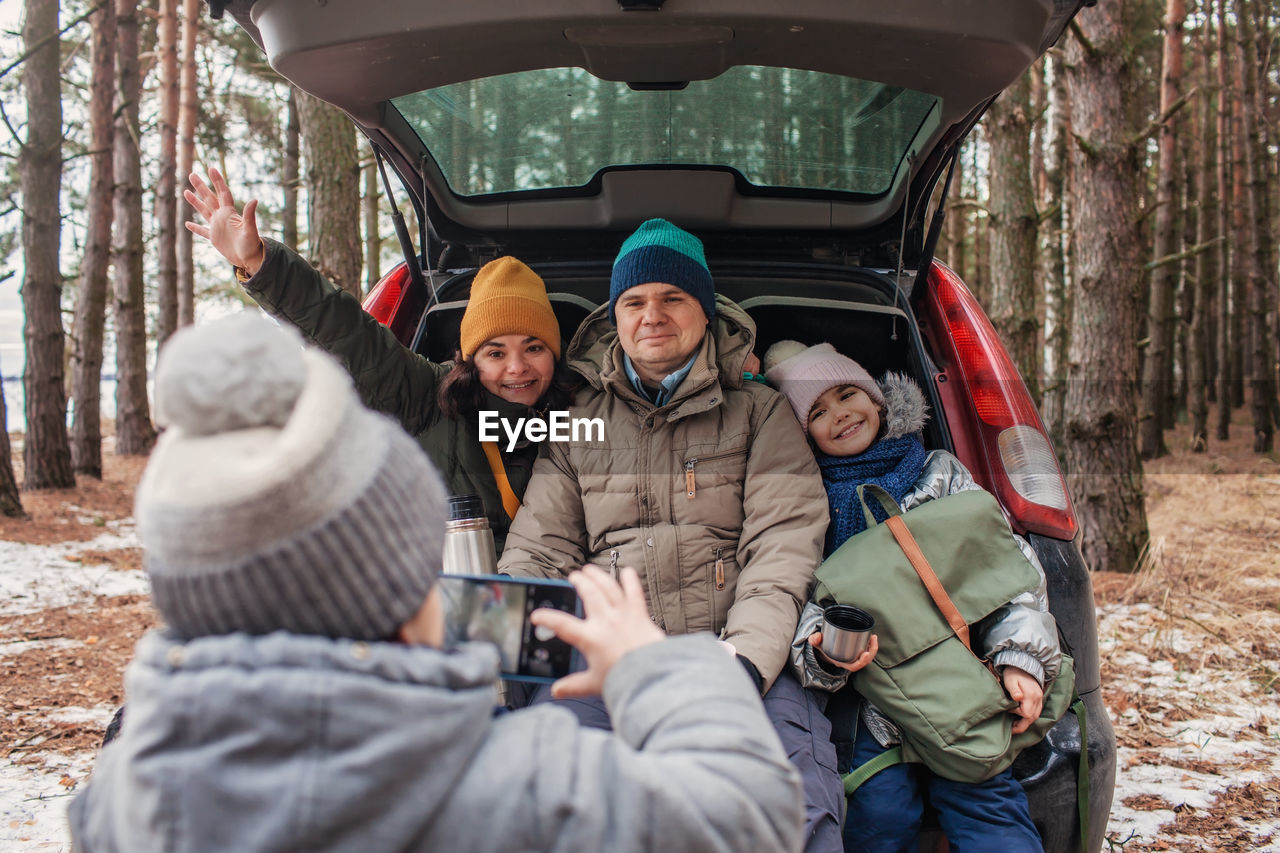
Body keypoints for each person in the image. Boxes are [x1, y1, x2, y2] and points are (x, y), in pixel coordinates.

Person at [68, 314, 805, 853]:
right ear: (403, 587)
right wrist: (657, 668)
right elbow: (750, 812)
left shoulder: (120, 803)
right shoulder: (512, 780)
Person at [498, 219, 844, 851]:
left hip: (734, 654)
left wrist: (741, 665)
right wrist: (498, 642)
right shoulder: (581, 424)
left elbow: (781, 548)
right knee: (556, 804)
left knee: (798, 811)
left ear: (705, 313)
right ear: (617, 318)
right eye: (633, 302)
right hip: (604, 662)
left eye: (672, 298)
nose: (650, 315)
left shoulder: (759, 412)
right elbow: (540, 549)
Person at [764, 340, 1063, 853]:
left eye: (845, 393)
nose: (839, 414)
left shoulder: (938, 475)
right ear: (801, 434)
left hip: (963, 681)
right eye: (816, 411)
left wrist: (1020, 659)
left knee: (986, 802)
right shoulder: (806, 503)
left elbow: (1008, 574)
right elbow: (792, 603)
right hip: (872, 704)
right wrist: (823, 659)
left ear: (877, 399)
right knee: (878, 813)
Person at [184, 167, 570, 552]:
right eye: (495, 352)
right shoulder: (430, 397)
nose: (517, 367)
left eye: (534, 347)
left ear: (555, 351)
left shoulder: (587, 413)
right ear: (469, 359)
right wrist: (259, 263)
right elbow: (344, 333)